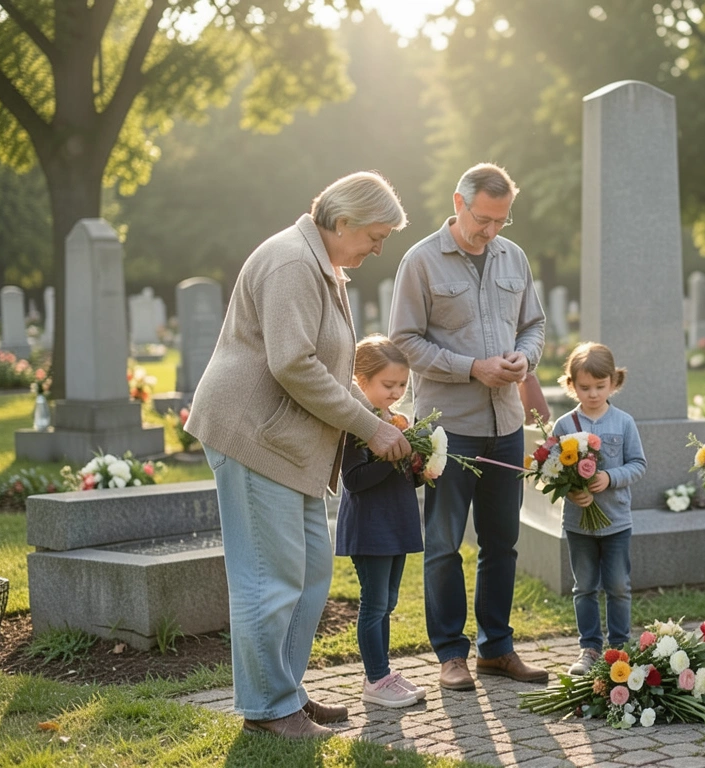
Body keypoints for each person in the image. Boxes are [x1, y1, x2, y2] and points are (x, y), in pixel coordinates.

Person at [186, 171, 412, 739]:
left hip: (290, 445)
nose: (379, 248)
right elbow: (294, 363)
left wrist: (375, 420)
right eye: (375, 236)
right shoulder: (292, 262)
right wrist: (370, 425)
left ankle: (284, 689)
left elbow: (322, 362)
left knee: (310, 571)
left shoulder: (319, 263)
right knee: (270, 577)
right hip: (255, 436)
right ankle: (268, 709)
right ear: (342, 222)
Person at [389, 162, 549, 691]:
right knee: (443, 543)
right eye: (484, 218)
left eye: (502, 220)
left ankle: (497, 650)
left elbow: (534, 323)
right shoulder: (420, 261)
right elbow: (405, 341)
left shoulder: (514, 256)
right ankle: (450, 655)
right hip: (447, 430)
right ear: (459, 203)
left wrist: (524, 358)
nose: (491, 231)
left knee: (502, 543)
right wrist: (472, 368)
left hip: (505, 424)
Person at [336, 335, 427, 708]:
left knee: (388, 602)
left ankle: (384, 673)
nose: (396, 392)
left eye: (402, 385)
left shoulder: (398, 420)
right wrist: (390, 457)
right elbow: (353, 480)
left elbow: (403, 477)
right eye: (387, 385)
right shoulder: (359, 425)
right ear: (361, 382)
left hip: (397, 523)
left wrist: (421, 466)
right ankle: (375, 679)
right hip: (370, 527)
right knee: (374, 604)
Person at [550, 342, 647, 675]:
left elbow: (638, 464)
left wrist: (609, 477)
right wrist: (572, 493)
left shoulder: (623, 422)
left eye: (600, 386)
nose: (592, 394)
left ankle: (620, 648)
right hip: (579, 524)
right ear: (571, 385)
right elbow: (552, 471)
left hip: (617, 521)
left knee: (618, 585)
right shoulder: (564, 425)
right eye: (584, 387)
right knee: (585, 585)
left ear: (614, 383)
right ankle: (589, 648)